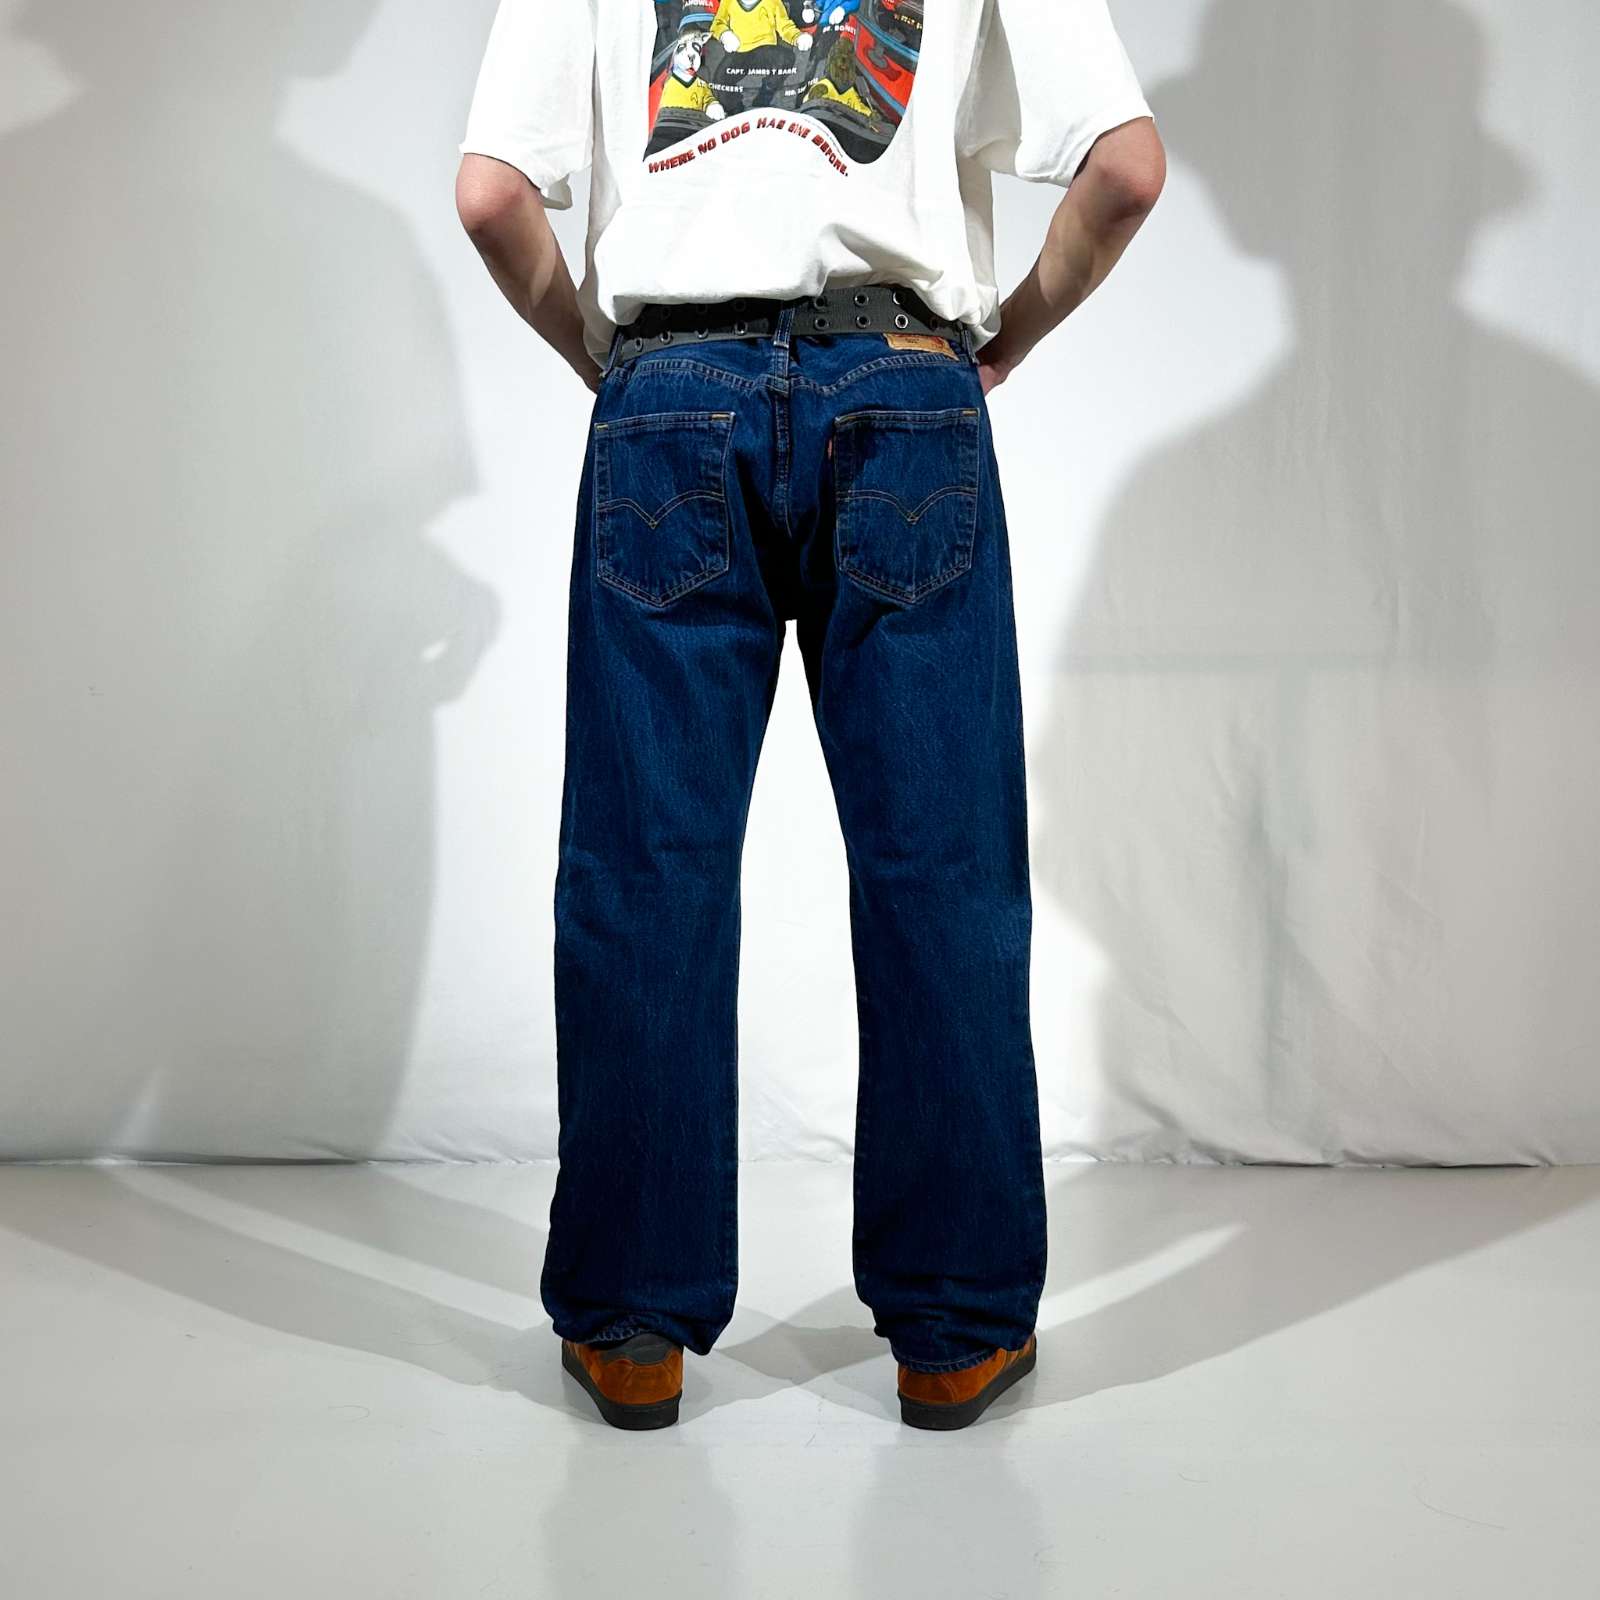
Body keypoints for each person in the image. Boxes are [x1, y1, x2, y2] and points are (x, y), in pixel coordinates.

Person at [455, 0, 1164, 1430]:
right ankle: (955, 1330)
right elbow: (1126, 170)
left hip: (669, 396)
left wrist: (607, 354)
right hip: (905, 388)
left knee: (645, 870)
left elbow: (490, 198)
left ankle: (633, 1325)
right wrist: (1001, 337)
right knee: (941, 871)